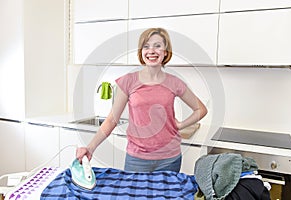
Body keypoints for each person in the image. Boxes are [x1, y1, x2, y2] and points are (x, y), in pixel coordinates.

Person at [76, 27, 208, 173]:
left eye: (157, 46)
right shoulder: (128, 81)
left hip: (170, 159)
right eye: (146, 46)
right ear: (141, 52)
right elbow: (112, 120)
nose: (151, 51)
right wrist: (90, 148)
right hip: (137, 159)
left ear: (165, 52)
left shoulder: (175, 83)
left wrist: (180, 125)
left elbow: (201, 109)